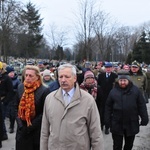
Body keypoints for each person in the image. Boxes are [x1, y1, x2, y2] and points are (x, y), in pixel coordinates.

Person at [40, 63, 104, 150]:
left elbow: (96, 133)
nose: (63, 80)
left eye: (67, 77)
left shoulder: (87, 100)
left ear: (75, 78)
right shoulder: (50, 99)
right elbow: (44, 131)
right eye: (60, 77)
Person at [105, 70, 149, 150]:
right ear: (118, 81)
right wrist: (107, 120)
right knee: (117, 146)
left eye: (124, 80)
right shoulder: (113, 92)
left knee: (129, 145)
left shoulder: (136, 91)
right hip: (117, 123)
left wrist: (144, 118)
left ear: (128, 80)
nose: (122, 82)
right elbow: (108, 107)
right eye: (121, 80)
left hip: (131, 123)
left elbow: (141, 105)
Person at [15, 65, 50, 150]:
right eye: (26, 75)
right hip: (21, 130)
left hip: (37, 132)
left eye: (31, 76)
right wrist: (20, 124)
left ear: (37, 77)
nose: (27, 78)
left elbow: (44, 112)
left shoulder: (44, 90)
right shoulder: (20, 87)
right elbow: (15, 107)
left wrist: (31, 126)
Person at [97, 62, 118, 134]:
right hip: (102, 97)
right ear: (105, 68)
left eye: (109, 67)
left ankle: (107, 127)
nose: (108, 69)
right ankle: (101, 125)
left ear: (112, 68)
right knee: (101, 111)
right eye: (107, 68)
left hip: (111, 97)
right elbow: (98, 86)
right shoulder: (101, 76)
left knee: (109, 112)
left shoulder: (115, 76)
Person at [0, 62, 13, 141]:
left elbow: (10, 91)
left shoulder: (6, 78)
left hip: (3, 100)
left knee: (1, 118)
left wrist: (5, 101)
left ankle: (3, 134)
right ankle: (3, 133)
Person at [6, 66, 21, 133]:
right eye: (10, 72)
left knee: (12, 114)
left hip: (14, 99)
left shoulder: (17, 81)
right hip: (7, 99)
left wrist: (13, 90)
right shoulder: (5, 80)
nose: (12, 74)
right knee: (7, 114)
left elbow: (19, 89)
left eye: (12, 72)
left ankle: (12, 126)